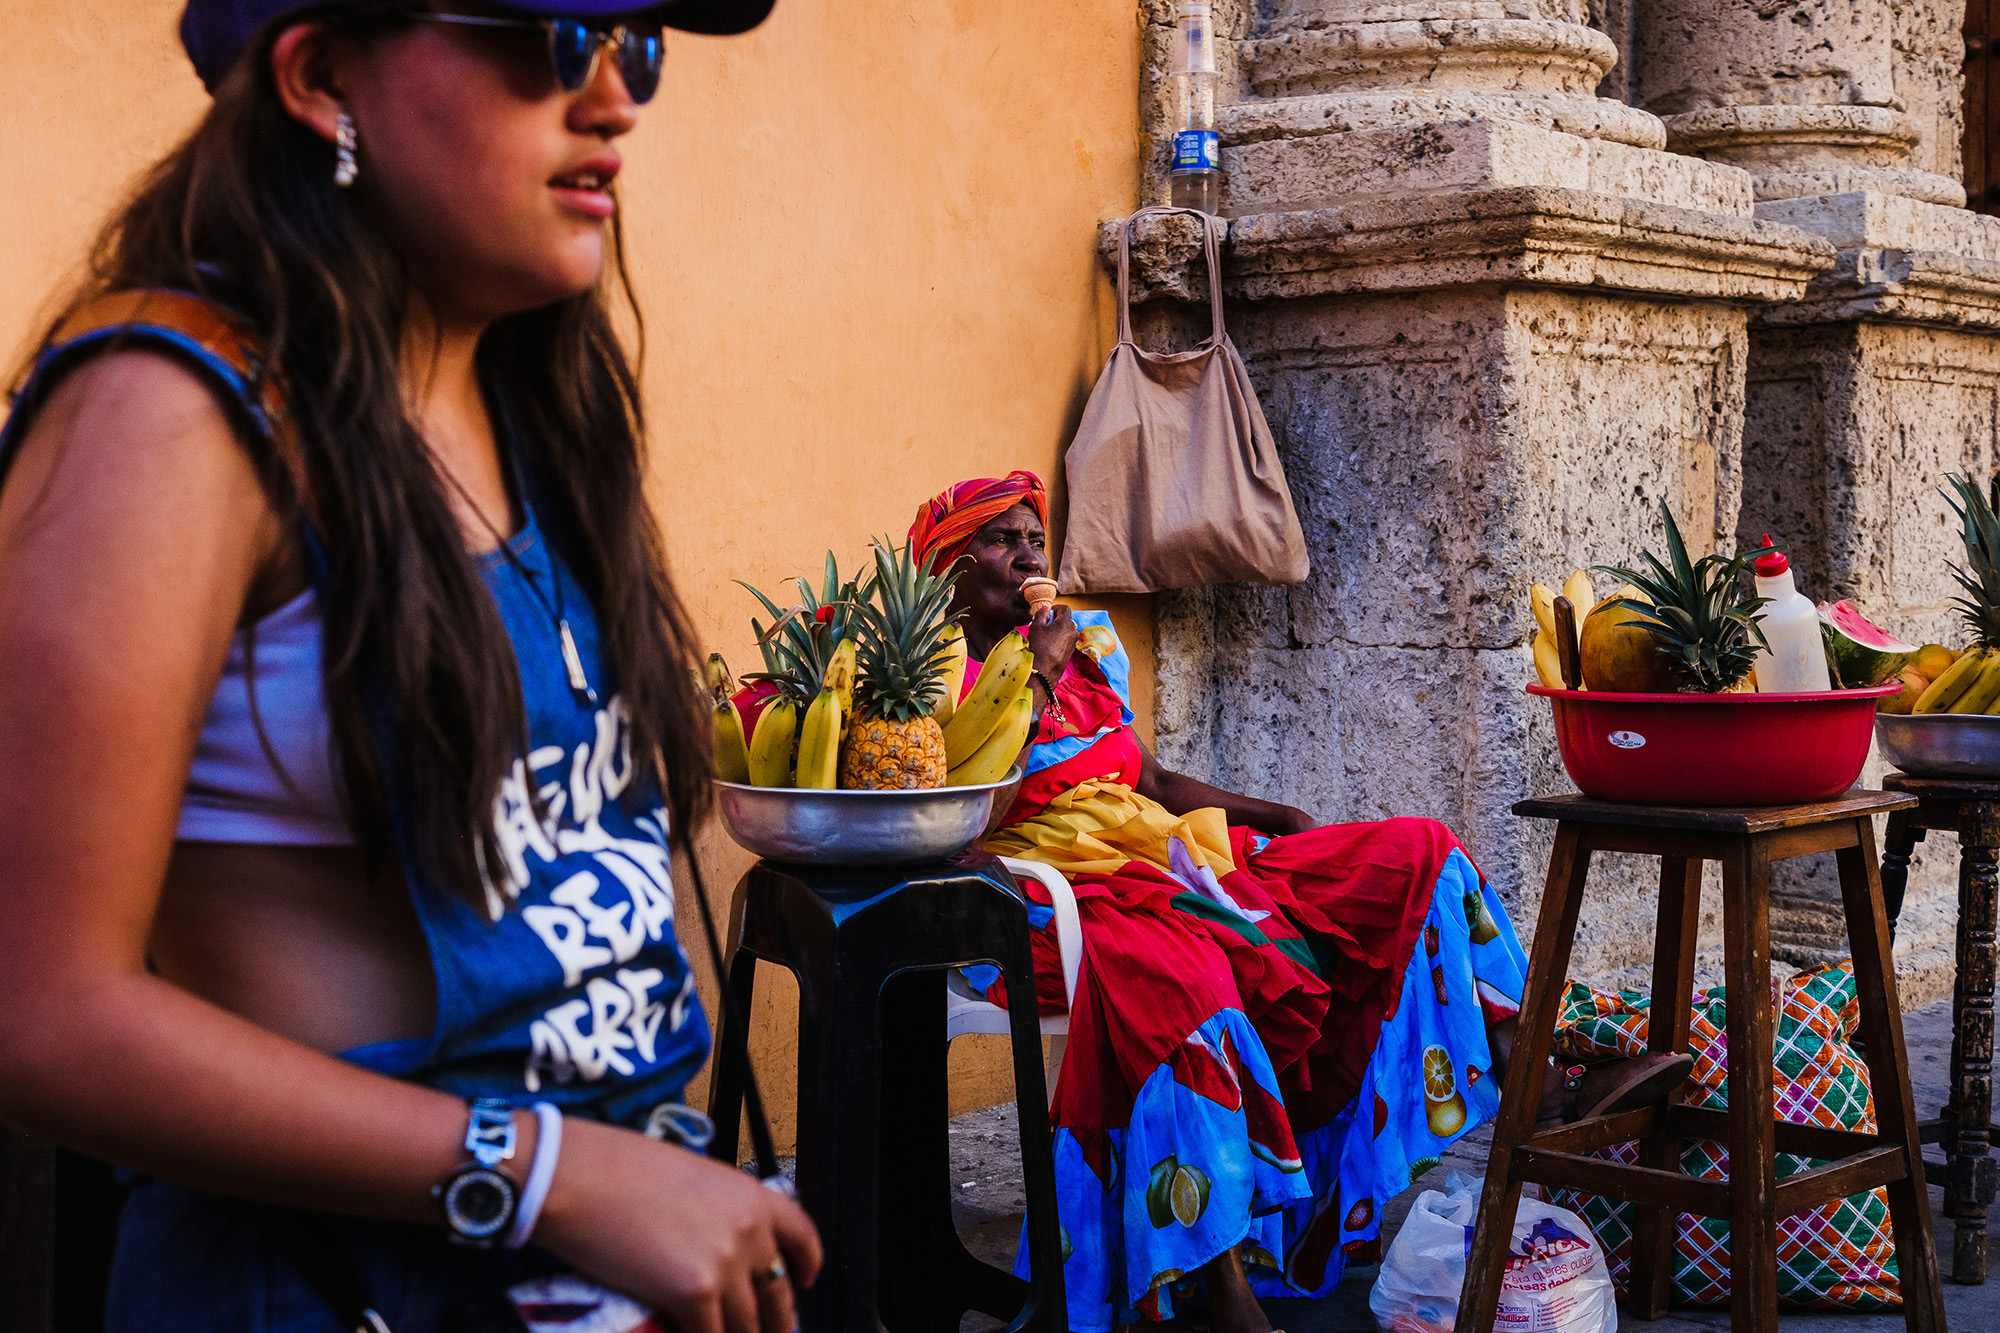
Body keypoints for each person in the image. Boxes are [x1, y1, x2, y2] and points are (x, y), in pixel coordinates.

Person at [0, 3, 820, 1330]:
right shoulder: (169, 420)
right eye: (557, 35)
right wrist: (546, 1170)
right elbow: (34, 1011)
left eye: (637, 45)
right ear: (324, 74)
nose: (615, 100)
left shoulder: (533, 407)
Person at [910, 472, 1689, 1333]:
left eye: (1033, 534)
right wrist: (1037, 673)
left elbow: (1153, 779)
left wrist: (1271, 813)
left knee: (1417, 854)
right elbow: (966, 814)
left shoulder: (1090, 649)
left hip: (1175, 860)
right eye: (1001, 538)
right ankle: (1221, 1288)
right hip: (1049, 895)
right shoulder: (943, 681)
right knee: (1189, 983)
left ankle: (1538, 1079)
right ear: (949, 569)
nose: (1028, 552)